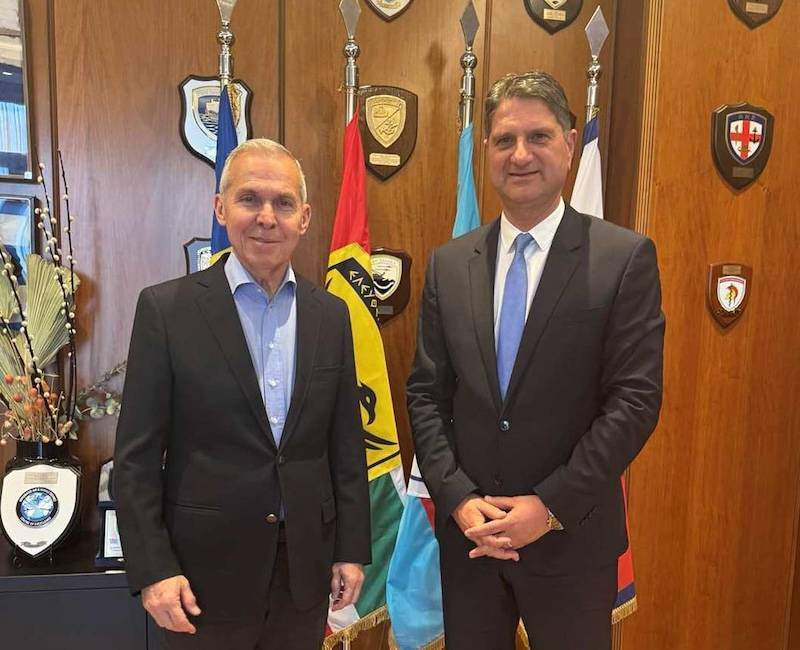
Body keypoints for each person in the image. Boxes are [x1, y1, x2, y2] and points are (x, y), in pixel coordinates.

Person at [407, 71, 665, 650]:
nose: (520, 154)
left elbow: (635, 402)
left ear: (569, 145)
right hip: (471, 543)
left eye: (538, 137)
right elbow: (426, 394)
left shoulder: (622, 259)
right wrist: (457, 498)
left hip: (571, 540)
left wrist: (549, 507)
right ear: (486, 151)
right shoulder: (450, 265)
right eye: (504, 140)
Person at [114, 138, 371, 650]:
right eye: (249, 199)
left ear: (304, 218)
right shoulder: (167, 312)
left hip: (303, 575)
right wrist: (153, 569)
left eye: (283, 203)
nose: (266, 217)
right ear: (221, 208)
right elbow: (136, 459)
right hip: (200, 581)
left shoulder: (330, 314)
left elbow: (345, 445)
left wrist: (351, 549)